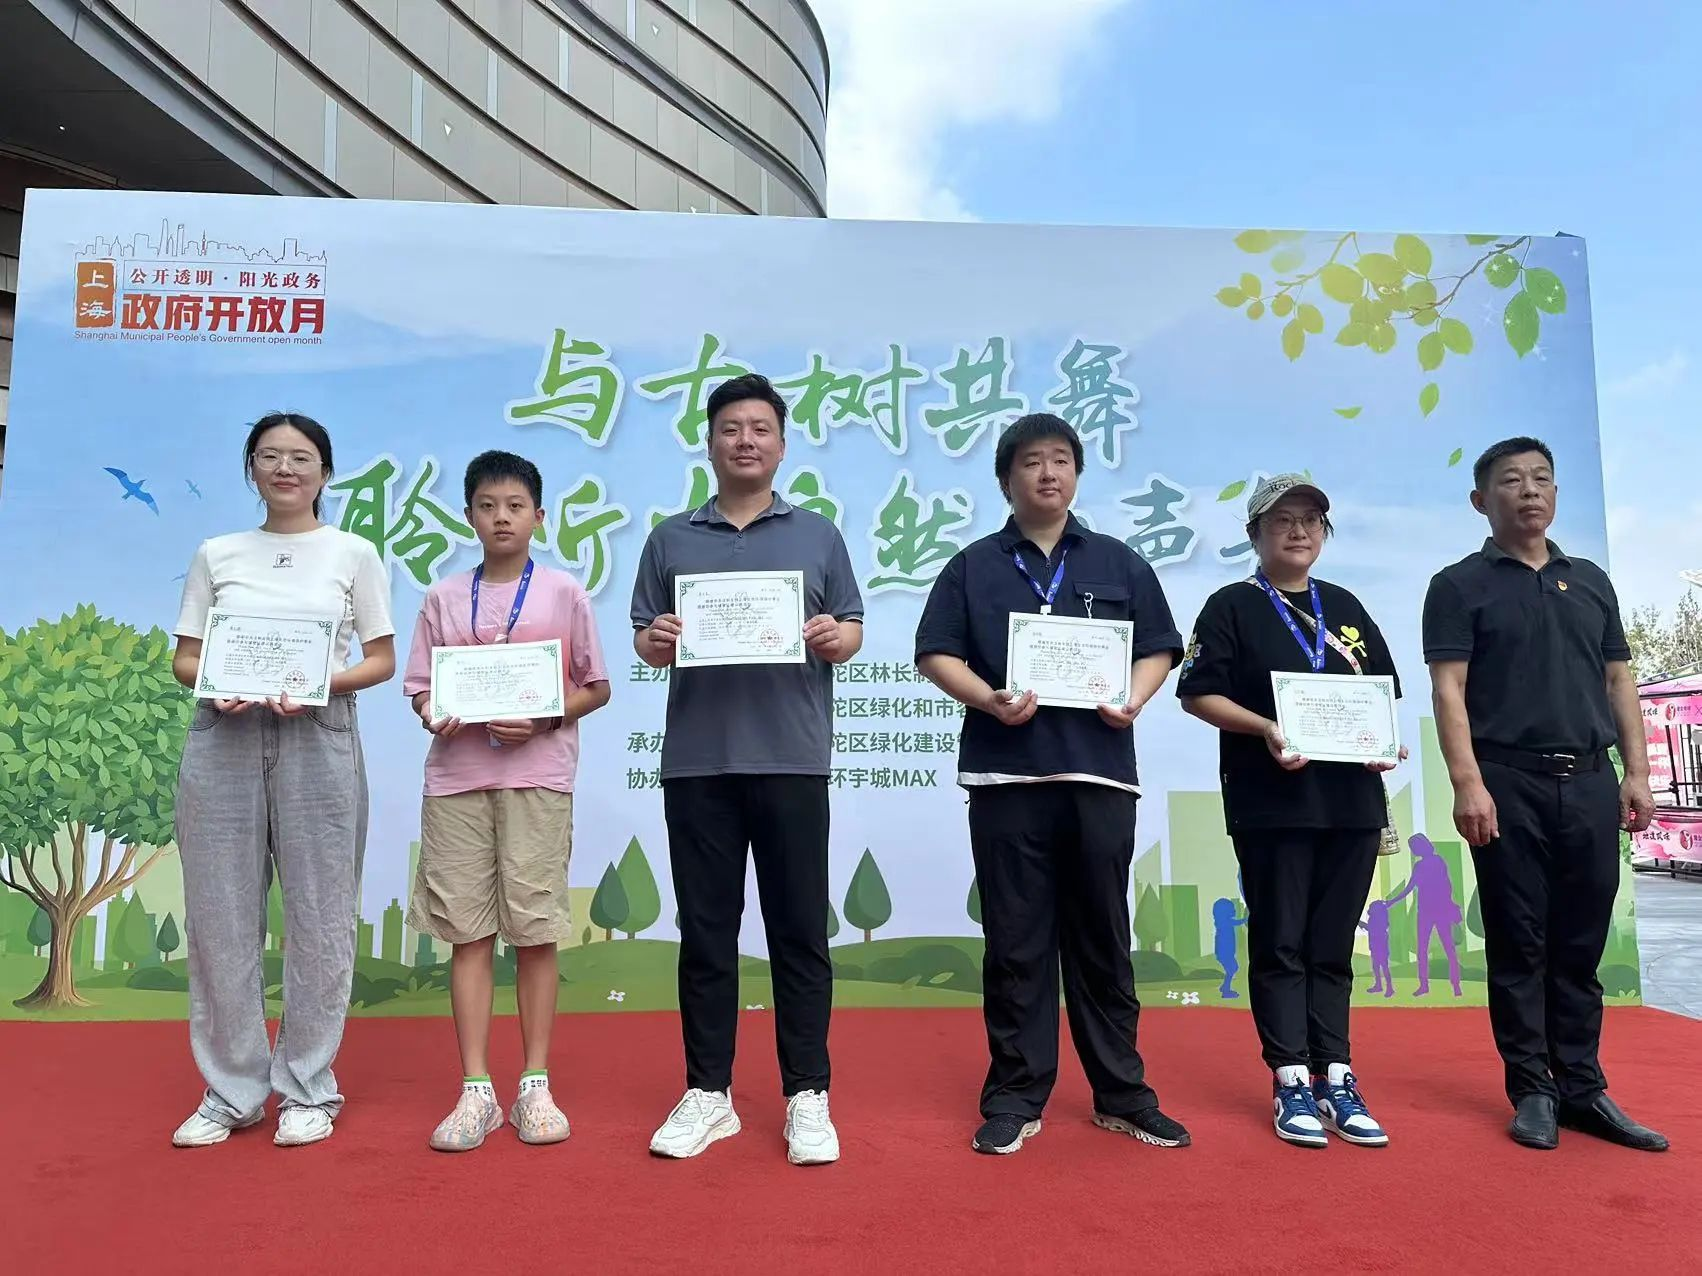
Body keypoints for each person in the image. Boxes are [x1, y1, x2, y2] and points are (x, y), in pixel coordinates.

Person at [915, 412, 1192, 1155]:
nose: (1048, 472)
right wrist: (988, 700)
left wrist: (1133, 697)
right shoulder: (973, 566)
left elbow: (1159, 648)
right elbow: (936, 653)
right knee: (1016, 942)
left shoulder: (1118, 562)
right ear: (1006, 479)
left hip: (1100, 776)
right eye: (1032, 461)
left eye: (1062, 459)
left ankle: (1122, 1094)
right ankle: (1015, 1095)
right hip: (1006, 777)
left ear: (1077, 474)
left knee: (1103, 938)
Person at [630, 373, 864, 1165]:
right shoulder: (671, 539)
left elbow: (852, 629)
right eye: (731, 428)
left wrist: (834, 637)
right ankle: (709, 1093)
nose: (746, 441)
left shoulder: (818, 535)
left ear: (782, 445)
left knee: (799, 932)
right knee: (706, 934)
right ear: (709, 443)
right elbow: (645, 638)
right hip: (698, 764)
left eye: (760, 428)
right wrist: (657, 640)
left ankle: (808, 1094)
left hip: (793, 758)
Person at [1422, 437, 1667, 1152]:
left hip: (1590, 780)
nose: (1529, 491)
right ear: (1481, 500)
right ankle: (1533, 1088)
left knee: (1580, 942)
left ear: (1556, 493)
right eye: (1511, 481)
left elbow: (1618, 680)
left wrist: (1637, 771)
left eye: (1541, 479)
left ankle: (1583, 1088)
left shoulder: (1589, 580)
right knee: (1519, 940)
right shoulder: (1458, 585)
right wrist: (1468, 781)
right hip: (1507, 781)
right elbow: (1449, 689)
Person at [168, 412, 396, 1149]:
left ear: (325, 472)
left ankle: (306, 1086)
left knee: (321, 916)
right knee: (219, 917)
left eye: (301, 457)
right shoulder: (218, 553)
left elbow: (381, 659)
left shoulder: (353, 554)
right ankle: (232, 1092)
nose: (285, 468)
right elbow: (185, 658)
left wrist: (319, 682)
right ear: (252, 469)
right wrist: (217, 682)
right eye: (269, 456)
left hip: (317, 734)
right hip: (224, 738)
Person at [1178, 473, 1405, 1149]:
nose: (1299, 531)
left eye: (1311, 520)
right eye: (1282, 520)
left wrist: (1382, 743)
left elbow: (1382, 693)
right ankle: (1290, 1080)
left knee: (1332, 946)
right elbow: (1197, 693)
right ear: (1255, 534)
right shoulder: (1232, 606)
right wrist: (1267, 728)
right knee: (1281, 943)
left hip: (1351, 804)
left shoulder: (1347, 607)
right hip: (1272, 803)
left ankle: (1337, 1075)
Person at [403, 450, 611, 1152]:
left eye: (515, 506)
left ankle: (535, 1084)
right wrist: (433, 713)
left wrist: (546, 717)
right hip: (456, 781)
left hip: (538, 778)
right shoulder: (441, 597)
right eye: (488, 506)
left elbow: (596, 685)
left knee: (535, 931)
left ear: (539, 517)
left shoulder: (563, 592)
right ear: (469, 516)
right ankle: (475, 1090)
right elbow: (420, 689)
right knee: (467, 934)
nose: (502, 518)